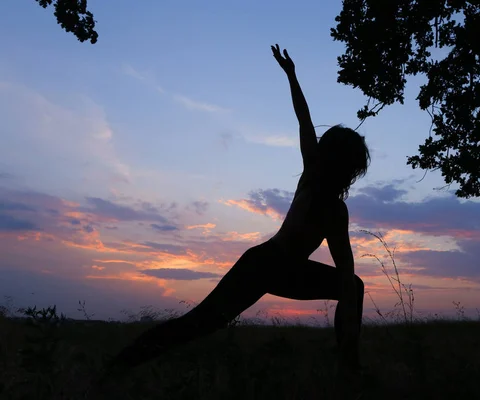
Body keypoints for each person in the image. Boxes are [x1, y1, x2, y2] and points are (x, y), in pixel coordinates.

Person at [94, 43, 370, 393]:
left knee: (352, 288)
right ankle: (118, 367)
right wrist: (292, 76)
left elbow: (304, 121)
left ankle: (349, 370)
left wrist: (292, 75)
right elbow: (304, 120)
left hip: (277, 266)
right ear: (348, 167)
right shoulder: (321, 188)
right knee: (200, 323)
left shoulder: (317, 183)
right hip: (266, 264)